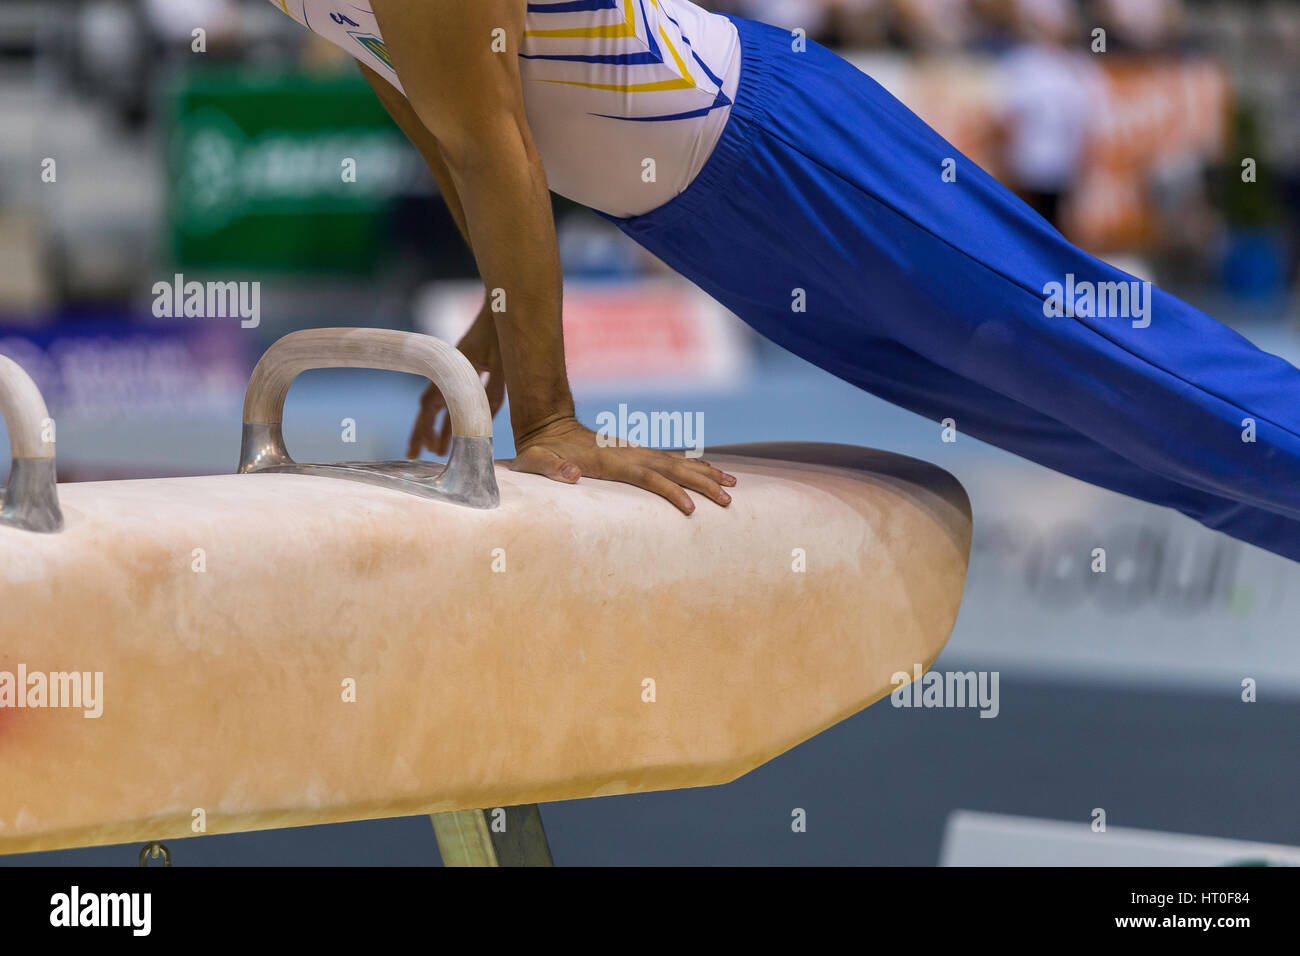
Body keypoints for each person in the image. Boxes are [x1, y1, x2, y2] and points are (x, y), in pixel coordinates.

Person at [267, 0, 1300, 564]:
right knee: (1089, 432)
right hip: (702, 229)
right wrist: (482, 362)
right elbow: (458, 148)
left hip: (787, 148)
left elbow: (500, 152)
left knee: (1131, 378)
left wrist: (547, 420)